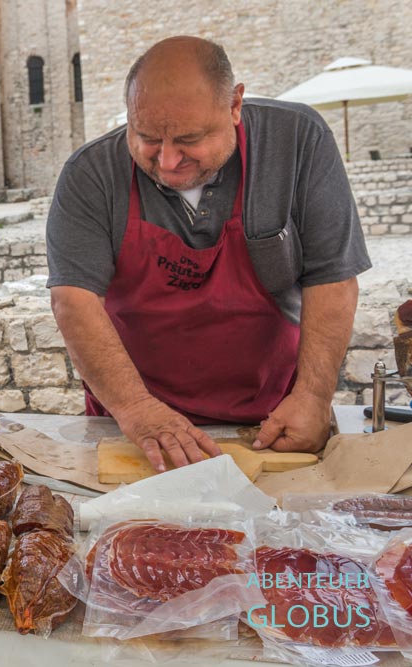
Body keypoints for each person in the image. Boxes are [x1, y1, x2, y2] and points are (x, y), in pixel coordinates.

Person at [45, 36, 369, 473]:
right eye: (146, 138)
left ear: (235, 105)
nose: (167, 161)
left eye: (189, 139)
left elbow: (331, 276)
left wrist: (313, 396)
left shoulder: (297, 141)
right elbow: (74, 300)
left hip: (272, 419)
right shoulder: (90, 174)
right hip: (136, 427)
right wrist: (137, 408)